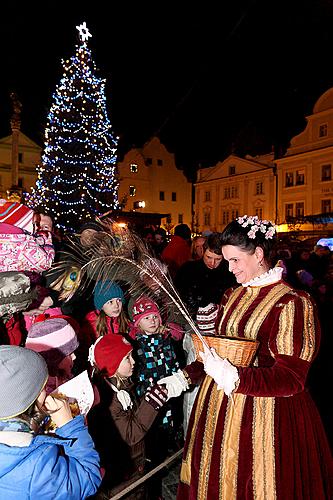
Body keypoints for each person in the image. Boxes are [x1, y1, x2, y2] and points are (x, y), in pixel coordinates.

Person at [158, 215, 333, 499]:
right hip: (219, 415)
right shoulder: (232, 295)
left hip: (266, 422)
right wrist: (183, 377)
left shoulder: (292, 303)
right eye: (227, 261)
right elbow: (219, 355)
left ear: (259, 254)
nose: (230, 268)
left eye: (235, 260)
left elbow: (292, 377)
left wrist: (234, 376)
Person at [0, 344, 101, 499]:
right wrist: (70, 426)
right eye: (42, 388)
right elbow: (87, 479)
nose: (46, 392)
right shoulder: (37, 465)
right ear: (28, 398)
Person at [87, 334, 168, 498]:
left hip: (134, 465)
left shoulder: (122, 385)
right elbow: (131, 434)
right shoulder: (110, 400)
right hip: (123, 476)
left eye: (132, 355)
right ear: (112, 365)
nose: (134, 362)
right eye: (127, 358)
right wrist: (152, 402)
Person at [25, 317, 79, 394]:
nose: (74, 357)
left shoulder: (62, 375)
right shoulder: (44, 391)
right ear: (54, 359)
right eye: (69, 354)